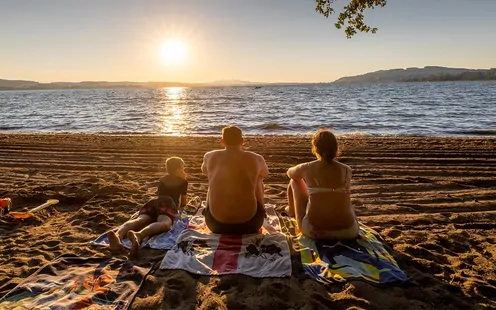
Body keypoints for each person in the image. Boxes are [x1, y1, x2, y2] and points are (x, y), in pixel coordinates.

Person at [286, 129, 358, 240]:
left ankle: (291, 210)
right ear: (335, 149)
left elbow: (290, 173)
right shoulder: (347, 170)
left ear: (316, 148)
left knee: (294, 181)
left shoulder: (307, 167)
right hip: (348, 232)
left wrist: (303, 172)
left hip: (315, 231)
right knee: (344, 193)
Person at [108, 157, 188, 253]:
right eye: (183, 168)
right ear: (179, 169)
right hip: (167, 204)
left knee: (140, 220)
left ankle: (117, 235)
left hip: (153, 202)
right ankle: (140, 235)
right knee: (164, 223)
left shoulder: (163, 179)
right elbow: (183, 203)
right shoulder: (183, 182)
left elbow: (159, 193)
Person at [201, 126, 269, 234]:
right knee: (258, 177)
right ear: (242, 141)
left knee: (213, 177)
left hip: (216, 225)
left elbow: (205, 171)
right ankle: (262, 211)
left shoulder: (209, 156)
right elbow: (265, 173)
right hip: (251, 224)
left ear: (222, 142)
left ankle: (209, 209)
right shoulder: (256, 158)